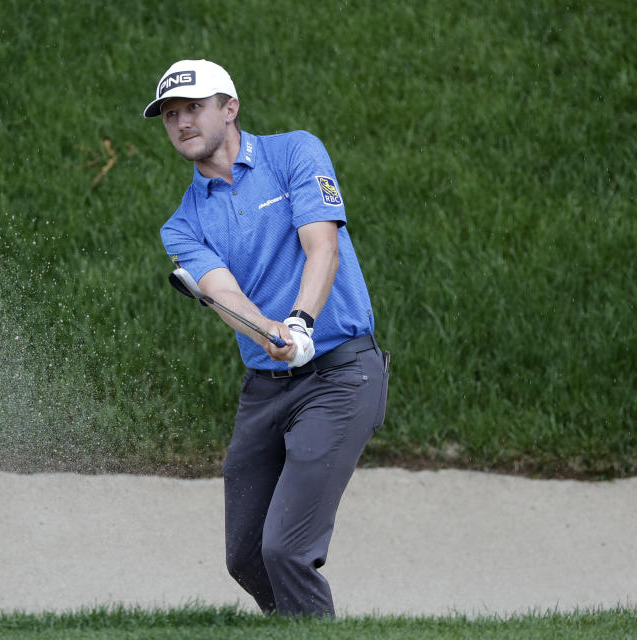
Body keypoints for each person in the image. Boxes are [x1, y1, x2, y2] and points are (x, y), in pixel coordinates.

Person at [144, 59, 389, 618]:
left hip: (341, 376)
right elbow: (224, 295)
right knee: (247, 555)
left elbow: (320, 246)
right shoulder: (181, 225)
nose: (181, 123)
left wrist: (300, 321)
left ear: (230, 108)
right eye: (170, 115)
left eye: (194, 109)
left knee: (286, 548)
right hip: (266, 390)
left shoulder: (294, 152)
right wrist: (269, 332)